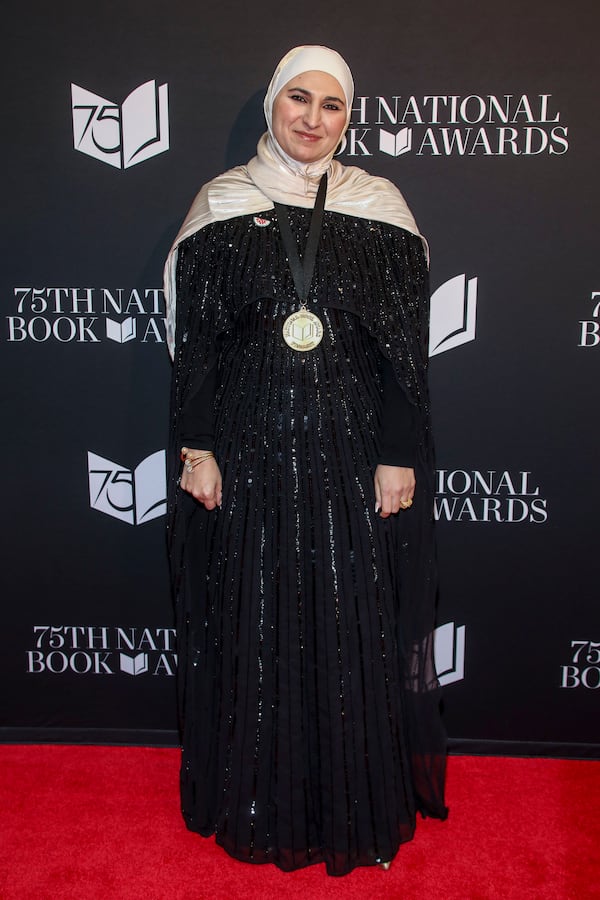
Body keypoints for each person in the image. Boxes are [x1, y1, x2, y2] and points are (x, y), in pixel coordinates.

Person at [164, 45, 447, 877]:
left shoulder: (379, 206)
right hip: (247, 451)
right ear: (272, 107)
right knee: (255, 612)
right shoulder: (220, 204)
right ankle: (258, 796)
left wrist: (400, 453)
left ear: (347, 117)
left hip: (351, 450)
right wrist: (197, 445)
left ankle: (349, 798)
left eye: (331, 105)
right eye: (299, 99)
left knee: (346, 616)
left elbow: (406, 352)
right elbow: (198, 345)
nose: (313, 118)